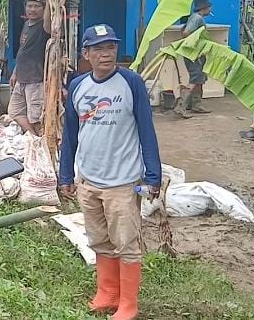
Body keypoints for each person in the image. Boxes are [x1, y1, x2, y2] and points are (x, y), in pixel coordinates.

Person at [59, 24, 162, 320]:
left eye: (111, 47)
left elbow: (146, 130)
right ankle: (107, 293)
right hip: (89, 179)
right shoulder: (78, 86)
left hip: (123, 182)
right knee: (99, 239)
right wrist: (66, 175)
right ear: (86, 54)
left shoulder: (131, 82)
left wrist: (153, 176)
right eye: (99, 49)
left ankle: (128, 304)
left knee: (126, 242)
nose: (106, 54)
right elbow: (70, 134)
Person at [8, 0, 52, 136]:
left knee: (36, 118)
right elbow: (23, 50)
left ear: (43, 8)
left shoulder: (43, 26)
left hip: (35, 79)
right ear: (25, 7)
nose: (32, 9)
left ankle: (42, 141)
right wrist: (15, 72)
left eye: (37, 6)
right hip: (21, 78)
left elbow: (49, 25)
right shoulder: (27, 24)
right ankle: (33, 138)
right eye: (30, 6)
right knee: (14, 111)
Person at [175, 0, 214, 118]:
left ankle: (197, 105)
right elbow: (186, 33)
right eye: (209, 7)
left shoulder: (196, 18)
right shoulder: (197, 18)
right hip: (194, 56)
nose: (210, 9)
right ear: (204, 8)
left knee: (199, 79)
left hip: (197, 54)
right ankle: (181, 106)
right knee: (194, 79)